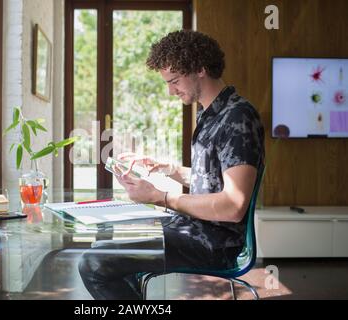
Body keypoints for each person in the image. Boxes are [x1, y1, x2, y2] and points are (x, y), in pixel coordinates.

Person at [78, 30, 265, 300]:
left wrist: (161, 197)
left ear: (200, 69)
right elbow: (215, 180)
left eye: (175, 81)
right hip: (193, 228)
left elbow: (233, 206)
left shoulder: (238, 118)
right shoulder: (210, 113)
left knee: (94, 263)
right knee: (107, 239)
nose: (170, 91)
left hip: (214, 243)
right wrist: (169, 169)